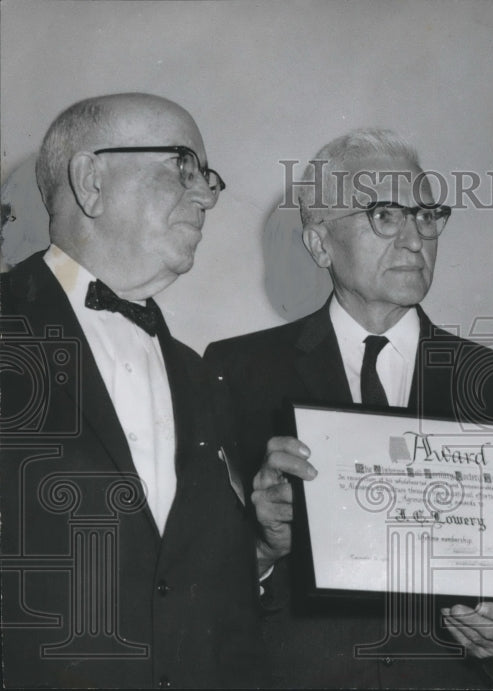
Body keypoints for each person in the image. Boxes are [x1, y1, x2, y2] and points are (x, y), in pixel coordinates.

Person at [203, 128, 493, 688]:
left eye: (427, 215)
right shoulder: (237, 371)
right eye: (386, 215)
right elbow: (195, 576)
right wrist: (261, 547)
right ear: (319, 244)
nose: (415, 240)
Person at [0, 93, 264, 688]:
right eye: (181, 166)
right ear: (91, 181)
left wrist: (262, 552)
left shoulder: (202, 377)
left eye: (207, 179)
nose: (204, 196)